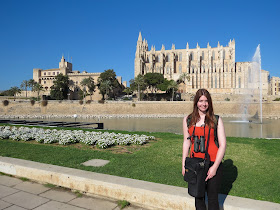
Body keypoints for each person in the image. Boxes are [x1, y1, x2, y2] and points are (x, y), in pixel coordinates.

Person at [182, 89, 226, 210]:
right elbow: (186, 142)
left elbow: (222, 145)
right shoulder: (188, 120)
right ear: (196, 102)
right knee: (198, 198)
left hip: (212, 162)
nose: (204, 104)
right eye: (201, 101)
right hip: (195, 164)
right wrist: (183, 164)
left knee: (212, 199)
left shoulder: (216, 119)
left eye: (206, 101)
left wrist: (215, 167)